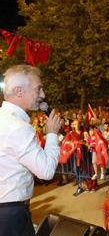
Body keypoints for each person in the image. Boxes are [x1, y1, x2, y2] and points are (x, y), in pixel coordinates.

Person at [0, 65, 61, 236]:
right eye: (38, 88)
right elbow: (46, 171)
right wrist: (51, 135)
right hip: (11, 215)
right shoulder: (18, 128)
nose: (43, 95)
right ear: (18, 91)